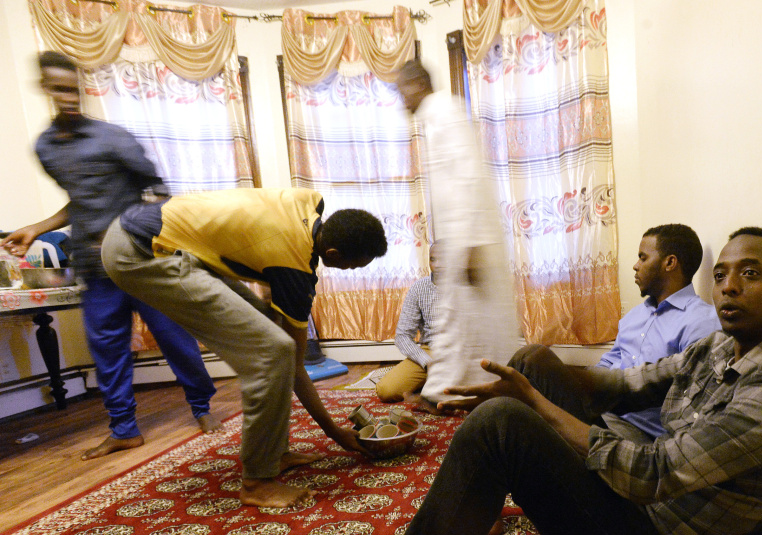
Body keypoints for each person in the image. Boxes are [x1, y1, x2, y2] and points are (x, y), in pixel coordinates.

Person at [328, 227, 762, 535]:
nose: (728, 288)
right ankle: (473, 501)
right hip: (640, 511)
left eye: (750, 274)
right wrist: (537, 373)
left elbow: (654, 473)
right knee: (531, 358)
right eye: (722, 274)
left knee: (501, 424)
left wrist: (533, 403)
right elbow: (626, 383)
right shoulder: (721, 345)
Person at [101, 187, 388, 509]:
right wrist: (334, 432)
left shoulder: (308, 204)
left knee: (272, 340)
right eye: (352, 267)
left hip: (167, 241)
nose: (350, 272)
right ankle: (257, 483)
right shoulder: (293, 264)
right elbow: (291, 363)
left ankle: (275, 454)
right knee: (273, 352)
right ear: (332, 254)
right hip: (141, 251)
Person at [2, 51, 221, 460]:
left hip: (139, 260)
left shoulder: (113, 137)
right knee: (107, 352)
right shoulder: (46, 148)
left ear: (80, 88)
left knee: (174, 337)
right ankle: (124, 429)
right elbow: (77, 203)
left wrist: (127, 228)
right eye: (59, 90)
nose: (68, 98)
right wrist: (37, 228)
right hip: (93, 267)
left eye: (73, 89)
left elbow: (158, 194)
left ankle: (203, 408)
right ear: (45, 89)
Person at [513, 224, 720, 440]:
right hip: (602, 412)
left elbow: (691, 400)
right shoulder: (634, 317)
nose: (635, 266)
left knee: (533, 360)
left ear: (670, 263)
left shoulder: (701, 321)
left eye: (643, 258)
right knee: (520, 398)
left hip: (640, 433)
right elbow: (609, 362)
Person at [395, 60, 519, 405]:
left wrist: (471, 246)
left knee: (469, 324)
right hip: (459, 241)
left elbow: (468, 179)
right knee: (461, 323)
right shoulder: (435, 117)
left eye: (401, 90)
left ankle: (453, 395)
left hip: (470, 241)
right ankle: (451, 394)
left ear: (417, 84)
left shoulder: (445, 112)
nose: (400, 101)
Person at [375, 244, 439, 403]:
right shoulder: (419, 288)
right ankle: (431, 386)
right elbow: (402, 336)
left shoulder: (465, 286)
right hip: (431, 351)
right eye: (433, 259)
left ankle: (432, 390)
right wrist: (426, 362)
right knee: (386, 390)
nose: (438, 265)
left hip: (461, 352)